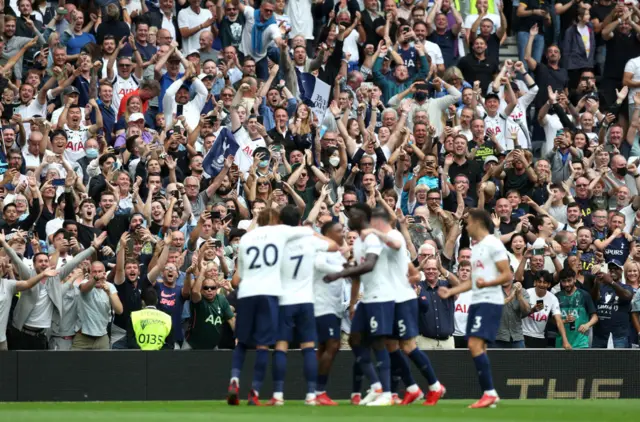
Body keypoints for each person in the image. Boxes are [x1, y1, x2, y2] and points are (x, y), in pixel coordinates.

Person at [227, 207, 316, 406]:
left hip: (247, 291)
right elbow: (305, 230)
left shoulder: (247, 239)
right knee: (263, 345)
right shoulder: (279, 232)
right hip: (269, 292)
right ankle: (255, 391)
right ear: (275, 219)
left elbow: (236, 279)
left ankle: (234, 379)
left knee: (241, 341)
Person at [364, 209, 446, 406]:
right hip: (390, 299)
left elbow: (396, 243)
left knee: (408, 346)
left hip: (403, 301)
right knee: (391, 345)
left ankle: (435, 386)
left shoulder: (392, 235)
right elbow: (411, 271)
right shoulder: (378, 242)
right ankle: (412, 388)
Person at [438, 208, 513, 408]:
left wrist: (487, 284)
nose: (467, 226)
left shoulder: (493, 244)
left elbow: (507, 276)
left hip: (489, 301)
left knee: (474, 345)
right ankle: (489, 394)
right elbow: (473, 281)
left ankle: (489, 393)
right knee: (478, 346)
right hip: (478, 301)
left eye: (468, 222)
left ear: (478, 222)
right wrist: (452, 292)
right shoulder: (476, 248)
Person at [322, 204, 395, 406]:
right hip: (366, 299)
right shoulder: (359, 242)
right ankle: (376, 386)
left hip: (381, 296)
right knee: (355, 341)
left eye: (352, 215)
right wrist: (353, 302)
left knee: (379, 342)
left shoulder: (372, 238)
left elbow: (369, 264)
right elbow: (357, 271)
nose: (348, 218)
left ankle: (387, 393)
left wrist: (339, 274)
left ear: (362, 217)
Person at [269, 206, 337, 405]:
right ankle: (310, 395)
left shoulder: (278, 239)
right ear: (299, 220)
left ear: (281, 220)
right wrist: (314, 232)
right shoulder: (309, 238)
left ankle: (278, 395)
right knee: (309, 347)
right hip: (306, 300)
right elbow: (333, 245)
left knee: (281, 347)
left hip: (285, 300)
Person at [522, 271, 570, 349]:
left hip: (540, 337)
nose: (541, 284)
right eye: (539, 282)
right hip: (523, 334)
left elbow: (558, 320)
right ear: (535, 283)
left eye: (544, 282)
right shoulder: (527, 293)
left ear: (549, 285)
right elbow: (520, 314)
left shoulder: (553, 298)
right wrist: (532, 310)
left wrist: (565, 340)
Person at [555, 268, 599, 349]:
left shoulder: (584, 295)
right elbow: (552, 320)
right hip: (561, 343)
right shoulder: (556, 297)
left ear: (575, 279)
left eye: (569, 280)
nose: (567, 284)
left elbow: (595, 317)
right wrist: (564, 321)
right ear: (560, 282)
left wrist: (587, 325)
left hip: (581, 343)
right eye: (564, 281)